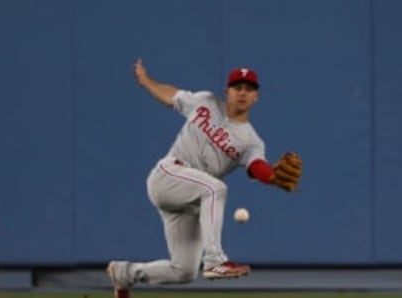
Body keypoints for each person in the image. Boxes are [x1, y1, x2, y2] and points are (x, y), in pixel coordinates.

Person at [106, 59, 302, 298]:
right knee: (215, 188)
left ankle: (123, 273)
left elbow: (257, 165)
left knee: (184, 271)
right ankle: (214, 261)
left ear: (256, 97)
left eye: (249, 89)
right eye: (237, 87)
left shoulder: (251, 141)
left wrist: (272, 177)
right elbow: (171, 96)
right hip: (167, 175)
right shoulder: (205, 102)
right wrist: (147, 81)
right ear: (226, 92)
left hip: (188, 200)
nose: (242, 93)